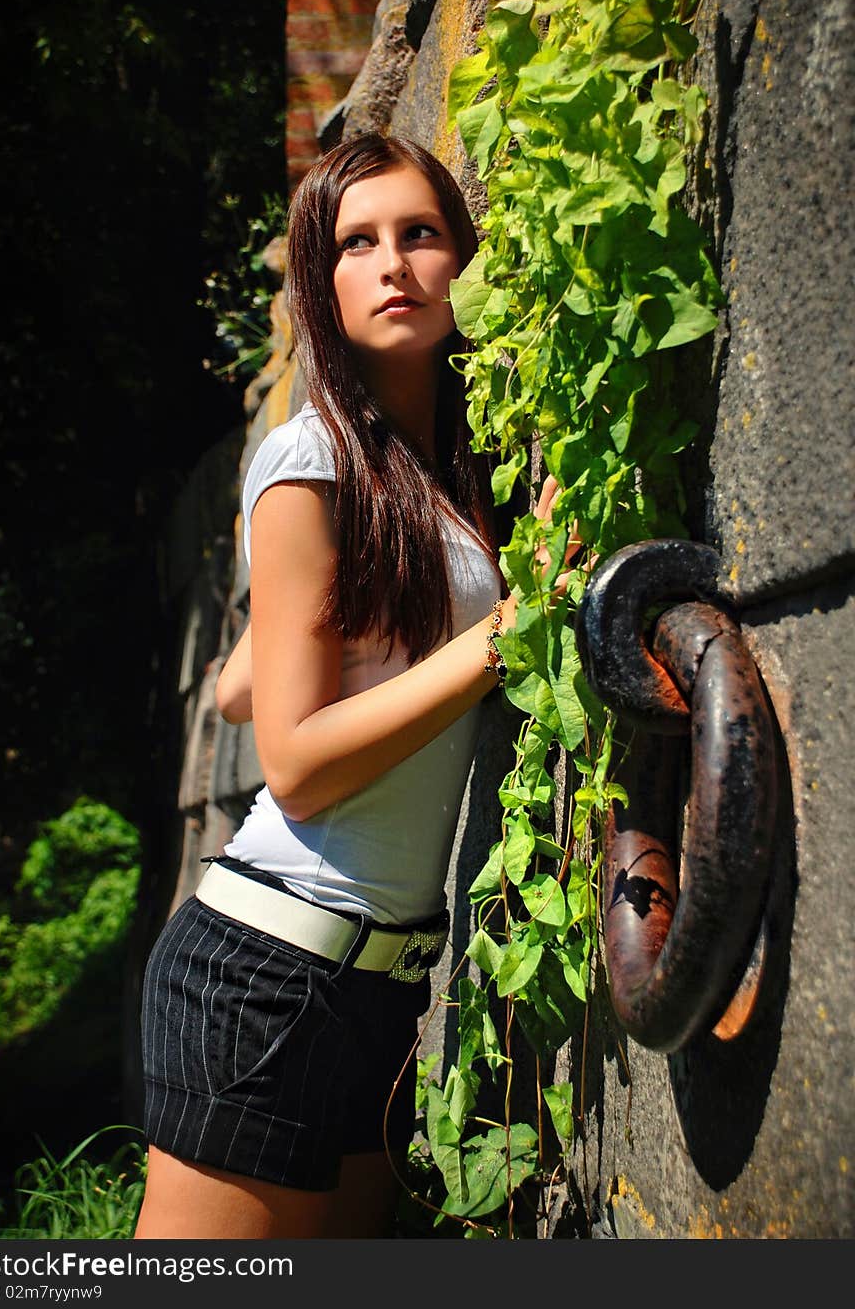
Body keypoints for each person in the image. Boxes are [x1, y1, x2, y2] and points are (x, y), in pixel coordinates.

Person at [134, 133, 579, 1240]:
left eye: (419, 234)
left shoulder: (433, 464)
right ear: (320, 285)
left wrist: (268, 657)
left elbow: (252, 689)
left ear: (460, 257)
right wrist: (502, 637)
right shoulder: (307, 459)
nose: (392, 264)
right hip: (266, 979)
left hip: (377, 991)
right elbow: (295, 761)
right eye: (356, 242)